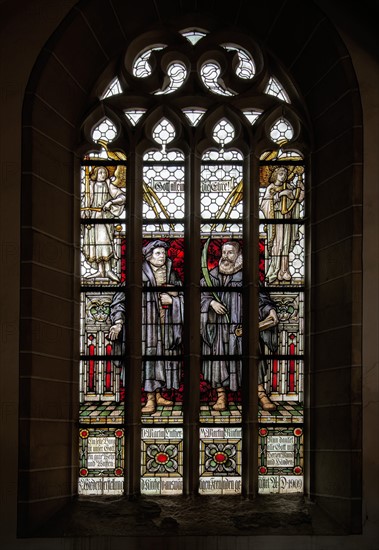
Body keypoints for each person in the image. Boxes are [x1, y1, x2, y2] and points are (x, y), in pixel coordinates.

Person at [200, 241, 278, 411]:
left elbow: (262, 300)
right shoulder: (211, 277)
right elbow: (199, 297)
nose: (225, 257)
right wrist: (211, 303)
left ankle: (260, 394)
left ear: (238, 255)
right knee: (219, 360)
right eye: (223, 252)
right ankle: (221, 395)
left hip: (244, 329)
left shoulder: (248, 278)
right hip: (219, 329)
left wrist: (270, 311)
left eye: (230, 253)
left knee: (251, 358)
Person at [108, 240, 184, 414]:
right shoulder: (138, 276)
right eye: (158, 253)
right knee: (149, 361)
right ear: (149, 256)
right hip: (146, 329)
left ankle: (158, 395)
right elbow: (119, 302)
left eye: (164, 253)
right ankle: (150, 399)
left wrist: (173, 300)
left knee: (163, 360)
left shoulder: (172, 276)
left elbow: (186, 299)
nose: (162, 256)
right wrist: (118, 322)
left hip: (167, 327)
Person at [260, 166, 304, 284]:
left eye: (285, 174)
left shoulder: (289, 187)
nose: (283, 176)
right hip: (276, 220)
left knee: (285, 245)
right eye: (281, 174)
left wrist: (301, 186)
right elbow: (264, 205)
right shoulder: (271, 188)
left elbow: (299, 198)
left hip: (287, 220)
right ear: (275, 175)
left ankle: (284, 271)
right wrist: (279, 195)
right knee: (277, 245)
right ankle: (274, 271)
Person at [82, 166, 125, 282]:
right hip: (92, 220)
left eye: (105, 172)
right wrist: (85, 212)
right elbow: (85, 202)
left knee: (104, 243)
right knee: (94, 246)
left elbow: (122, 197)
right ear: (95, 174)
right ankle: (101, 271)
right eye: (100, 172)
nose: (103, 175)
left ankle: (109, 270)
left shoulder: (108, 185)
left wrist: (111, 202)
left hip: (104, 219)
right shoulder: (89, 185)